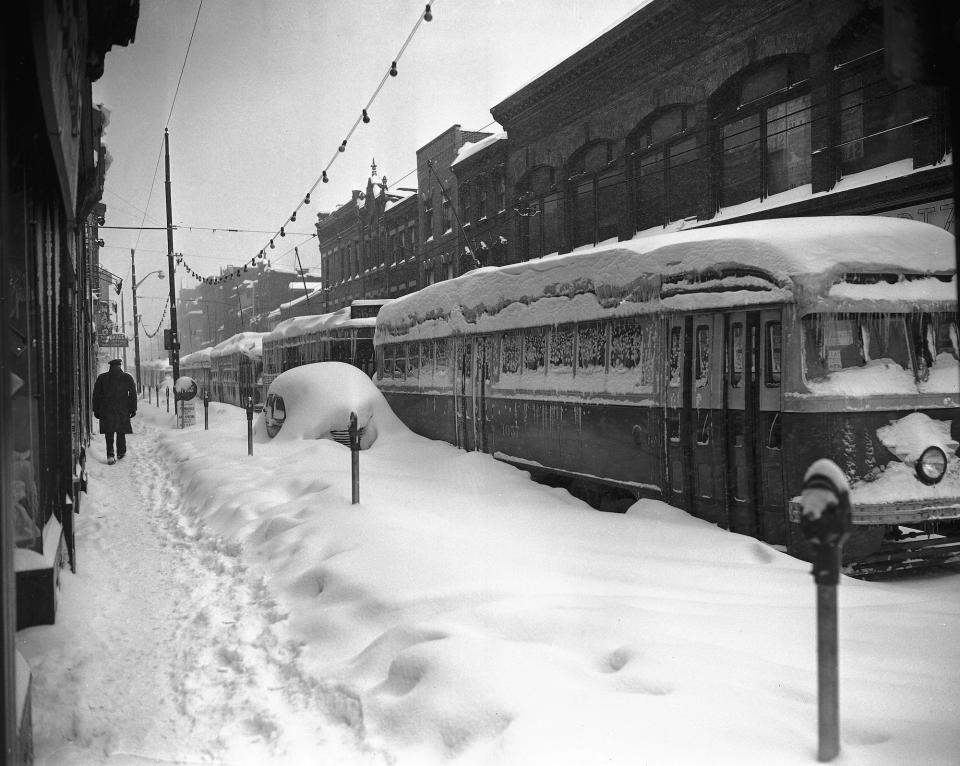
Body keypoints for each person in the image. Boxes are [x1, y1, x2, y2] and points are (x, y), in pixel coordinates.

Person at [92, 359, 137, 465]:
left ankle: (110, 455)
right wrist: (132, 409)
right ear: (120, 366)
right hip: (122, 409)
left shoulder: (102, 378)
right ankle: (121, 452)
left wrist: (96, 409)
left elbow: (96, 395)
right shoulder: (127, 377)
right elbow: (133, 394)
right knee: (121, 432)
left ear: (110, 367)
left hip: (107, 410)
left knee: (109, 433)